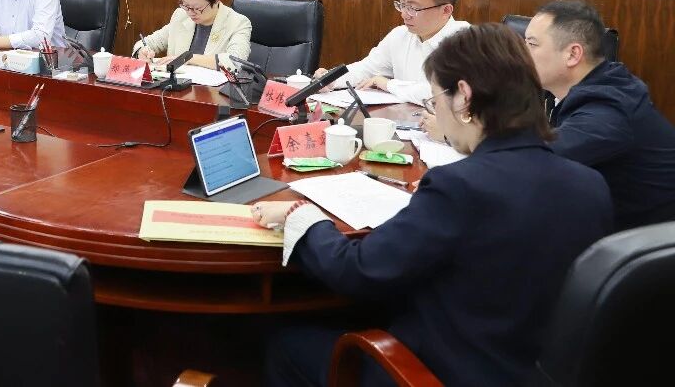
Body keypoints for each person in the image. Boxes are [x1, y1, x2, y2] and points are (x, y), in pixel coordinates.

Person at [255, 24, 612, 387]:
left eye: (435, 99)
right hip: (532, 371)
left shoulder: (459, 186)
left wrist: (305, 219)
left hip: (443, 371)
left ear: (464, 98)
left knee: (286, 344)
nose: (435, 113)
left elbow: (357, 272)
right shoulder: (591, 185)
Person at [524, 0, 675, 229]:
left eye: (532, 44)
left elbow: (532, 160)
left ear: (573, 54)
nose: (520, 53)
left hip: (643, 244)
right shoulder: (596, 84)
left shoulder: (609, 109)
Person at [315, 0, 469, 104]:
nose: (404, 14)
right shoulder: (400, 35)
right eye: (402, 4)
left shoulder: (466, 41)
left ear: (446, 10)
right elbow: (367, 69)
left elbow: (442, 93)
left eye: (413, 8)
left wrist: (388, 84)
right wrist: (332, 79)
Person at [131, 0, 250, 71]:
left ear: (217, 0)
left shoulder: (238, 23)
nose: (190, 12)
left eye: (197, 8)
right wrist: (141, 52)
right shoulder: (181, 15)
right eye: (186, 5)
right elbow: (146, 43)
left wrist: (188, 58)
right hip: (176, 86)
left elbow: (235, 62)